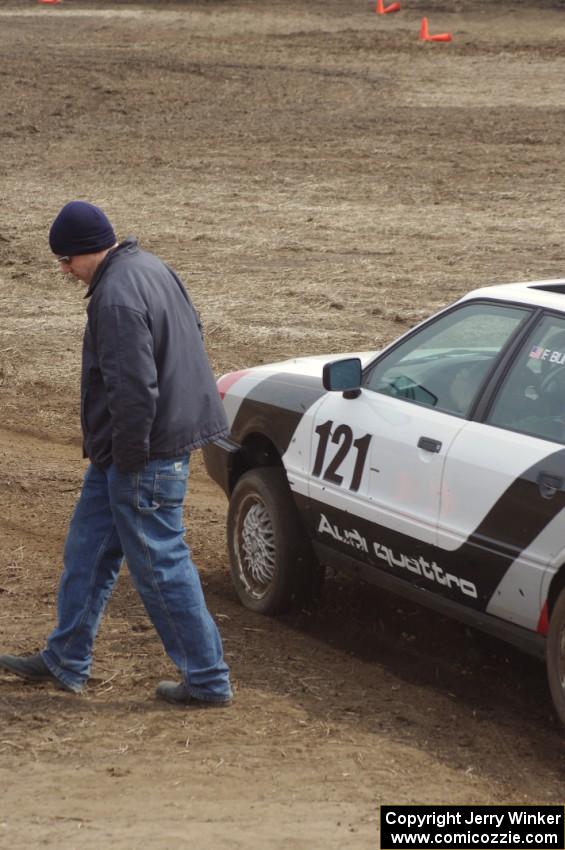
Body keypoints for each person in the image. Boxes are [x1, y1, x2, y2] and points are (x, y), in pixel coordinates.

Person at [0, 201, 233, 707]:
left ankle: (208, 679)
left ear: (88, 250)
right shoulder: (149, 268)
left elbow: (134, 390)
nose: (63, 270)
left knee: (160, 566)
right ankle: (65, 658)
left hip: (143, 453)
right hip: (128, 451)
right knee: (87, 550)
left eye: (65, 260)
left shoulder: (117, 298)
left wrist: (128, 462)